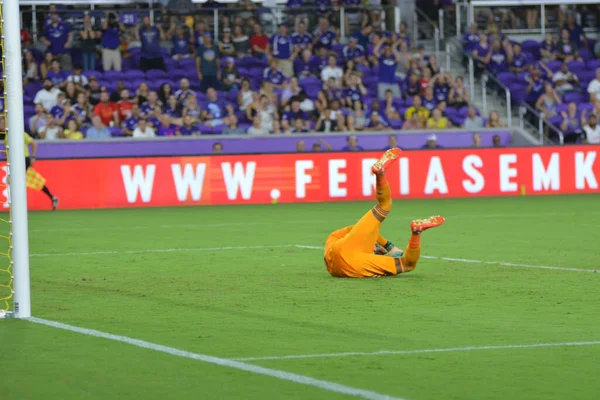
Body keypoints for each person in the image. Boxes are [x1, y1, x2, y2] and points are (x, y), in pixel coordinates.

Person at [324, 148, 445, 278]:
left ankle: (417, 231)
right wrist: (387, 248)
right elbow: (354, 229)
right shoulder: (333, 241)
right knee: (408, 263)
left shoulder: (338, 241)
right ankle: (416, 232)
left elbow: (353, 230)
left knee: (385, 206)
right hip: (353, 261)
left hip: (349, 264)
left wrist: (388, 248)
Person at [2, 117, 60, 210]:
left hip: (23, 159)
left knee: (15, 181)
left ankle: (18, 205)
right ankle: (52, 197)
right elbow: (8, 152)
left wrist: (33, 157)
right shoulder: (7, 136)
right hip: (15, 161)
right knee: (31, 180)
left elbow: (33, 143)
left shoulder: (19, 133)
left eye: (3, 122)